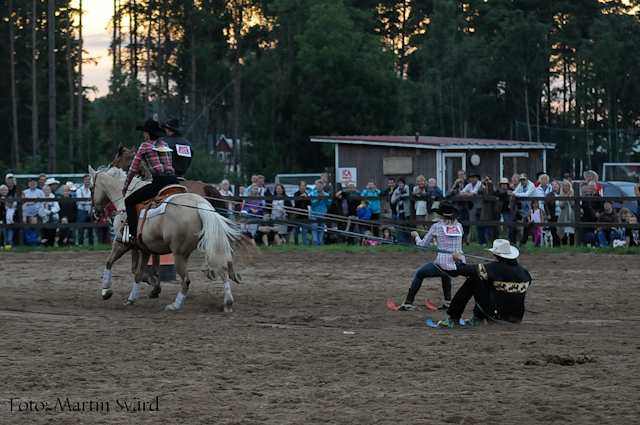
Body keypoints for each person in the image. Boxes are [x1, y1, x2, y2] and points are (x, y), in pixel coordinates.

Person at [439, 239, 532, 327]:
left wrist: (458, 260)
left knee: (474, 279)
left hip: (497, 316)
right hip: (517, 318)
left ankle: (454, 318)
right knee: (485, 282)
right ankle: (477, 318)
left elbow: (462, 270)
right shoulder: (524, 272)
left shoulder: (493, 268)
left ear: (497, 256)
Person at [121, 120, 179, 247]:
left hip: (159, 182)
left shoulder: (144, 146)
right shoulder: (165, 145)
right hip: (174, 180)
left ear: (147, 134)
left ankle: (132, 235)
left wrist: (126, 185)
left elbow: (133, 169)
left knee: (129, 201)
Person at [398, 201, 464, 311]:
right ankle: (447, 301)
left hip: (443, 264)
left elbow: (423, 245)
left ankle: (408, 302)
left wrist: (416, 236)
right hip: (459, 264)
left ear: (440, 214)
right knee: (445, 274)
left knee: (420, 273)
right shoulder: (459, 226)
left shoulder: (436, 226)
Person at [509, 173, 536, 246]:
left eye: (524, 180)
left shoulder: (531, 185)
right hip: (525, 208)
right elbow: (515, 192)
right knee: (526, 225)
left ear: (527, 179)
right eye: (521, 180)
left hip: (534, 207)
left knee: (534, 225)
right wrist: (513, 193)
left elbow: (526, 195)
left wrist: (515, 194)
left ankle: (534, 242)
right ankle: (523, 242)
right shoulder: (520, 185)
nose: (522, 181)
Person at [460, 172, 484, 245]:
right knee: (478, 225)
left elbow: (473, 193)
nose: (472, 179)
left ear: (477, 178)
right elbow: (461, 193)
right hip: (477, 206)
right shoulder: (469, 185)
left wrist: (467, 194)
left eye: (474, 178)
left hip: (484, 206)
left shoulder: (479, 184)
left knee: (483, 225)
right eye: (471, 178)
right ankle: (481, 242)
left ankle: (484, 242)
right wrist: (468, 194)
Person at [447, 177, 470, 244]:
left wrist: (460, 190)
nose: (459, 184)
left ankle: (466, 241)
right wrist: (453, 188)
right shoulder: (454, 191)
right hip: (455, 209)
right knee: (455, 225)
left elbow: (463, 197)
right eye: (458, 183)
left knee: (465, 226)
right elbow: (447, 195)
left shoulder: (465, 190)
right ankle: (458, 241)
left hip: (464, 210)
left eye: (460, 183)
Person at [309, 179, 332, 246]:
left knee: (321, 229)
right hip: (314, 214)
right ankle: (315, 242)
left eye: (320, 186)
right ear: (316, 186)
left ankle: (320, 242)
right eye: (318, 186)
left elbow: (329, 204)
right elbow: (312, 203)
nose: (319, 187)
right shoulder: (312, 194)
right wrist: (319, 198)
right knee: (314, 229)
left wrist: (325, 198)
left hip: (322, 214)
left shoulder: (326, 194)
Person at [75, 174, 94, 246]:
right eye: (86, 179)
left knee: (91, 229)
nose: (87, 181)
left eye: (89, 179)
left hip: (90, 210)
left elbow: (93, 200)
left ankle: (91, 244)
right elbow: (80, 200)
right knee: (81, 228)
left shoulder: (92, 189)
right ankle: (80, 243)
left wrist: (88, 202)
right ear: (83, 180)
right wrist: (89, 201)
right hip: (82, 211)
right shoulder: (79, 190)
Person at [479, 174, 499, 244]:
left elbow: (496, 192)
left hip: (493, 209)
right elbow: (479, 191)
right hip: (485, 209)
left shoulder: (494, 187)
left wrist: (491, 184)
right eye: (486, 179)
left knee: (495, 227)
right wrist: (482, 183)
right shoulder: (483, 188)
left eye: (488, 179)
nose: (487, 181)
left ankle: (496, 241)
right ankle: (488, 242)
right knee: (487, 226)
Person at [391, 177, 410, 243]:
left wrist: (401, 195)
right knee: (400, 227)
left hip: (407, 212)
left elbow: (408, 195)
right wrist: (397, 197)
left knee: (408, 227)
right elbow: (392, 200)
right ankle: (402, 241)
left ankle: (408, 241)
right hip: (399, 212)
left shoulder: (407, 188)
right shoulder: (397, 190)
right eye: (399, 183)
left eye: (401, 183)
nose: (400, 184)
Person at [292, 180, 311, 246]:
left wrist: (306, 197)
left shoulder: (306, 194)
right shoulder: (296, 194)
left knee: (304, 232)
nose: (303, 187)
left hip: (305, 215)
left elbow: (309, 203)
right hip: (297, 215)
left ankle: (305, 245)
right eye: (302, 186)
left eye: (304, 186)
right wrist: (301, 197)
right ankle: (296, 244)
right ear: (299, 186)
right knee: (296, 232)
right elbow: (296, 203)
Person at [557, 180, 575, 246]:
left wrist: (569, 198)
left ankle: (572, 245)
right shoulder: (560, 195)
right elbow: (561, 206)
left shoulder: (573, 194)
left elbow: (574, 205)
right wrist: (565, 199)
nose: (565, 187)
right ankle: (564, 245)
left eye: (566, 186)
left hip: (571, 214)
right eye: (563, 186)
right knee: (564, 230)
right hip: (564, 215)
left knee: (572, 231)